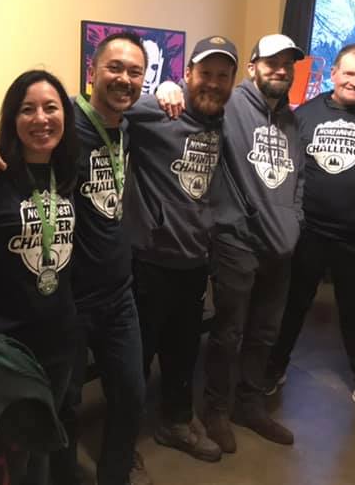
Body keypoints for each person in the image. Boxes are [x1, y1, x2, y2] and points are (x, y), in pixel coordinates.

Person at [0, 32, 151, 485]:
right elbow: (28, 122)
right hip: (70, 301)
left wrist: (171, 90)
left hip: (119, 293)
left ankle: (114, 476)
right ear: (92, 72)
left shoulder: (127, 127)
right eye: (114, 68)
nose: (124, 79)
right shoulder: (63, 123)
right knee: (62, 409)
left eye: (135, 71)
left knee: (131, 394)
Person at [158, 33, 305, 453]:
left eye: (287, 64)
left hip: (281, 244)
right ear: (254, 67)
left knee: (265, 332)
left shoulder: (292, 120)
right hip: (236, 240)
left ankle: (250, 404)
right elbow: (198, 94)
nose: (280, 70)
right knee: (229, 333)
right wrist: (168, 85)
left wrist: (295, 219)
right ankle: (216, 409)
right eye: (272, 63)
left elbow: (299, 177)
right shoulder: (232, 104)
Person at [266, 43, 355, 426]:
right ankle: (273, 368)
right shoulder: (305, 115)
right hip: (308, 233)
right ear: (334, 74)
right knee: (291, 308)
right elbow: (287, 171)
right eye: (348, 73)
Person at [126, 36, 237, 463]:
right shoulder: (158, 110)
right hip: (148, 261)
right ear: (187, 73)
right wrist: (160, 88)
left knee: (182, 353)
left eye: (222, 76)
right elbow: (100, 109)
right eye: (205, 73)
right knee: (136, 360)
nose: (213, 83)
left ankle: (175, 423)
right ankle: (123, 444)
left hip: (194, 261)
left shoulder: (224, 121)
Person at [0, 69, 79, 484]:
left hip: (59, 339)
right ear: (12, 118)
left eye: (51, 108)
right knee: (9, 456)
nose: (41, 119)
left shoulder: (68, 173)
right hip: (9, 346)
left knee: (42, 443)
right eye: (27, 109)